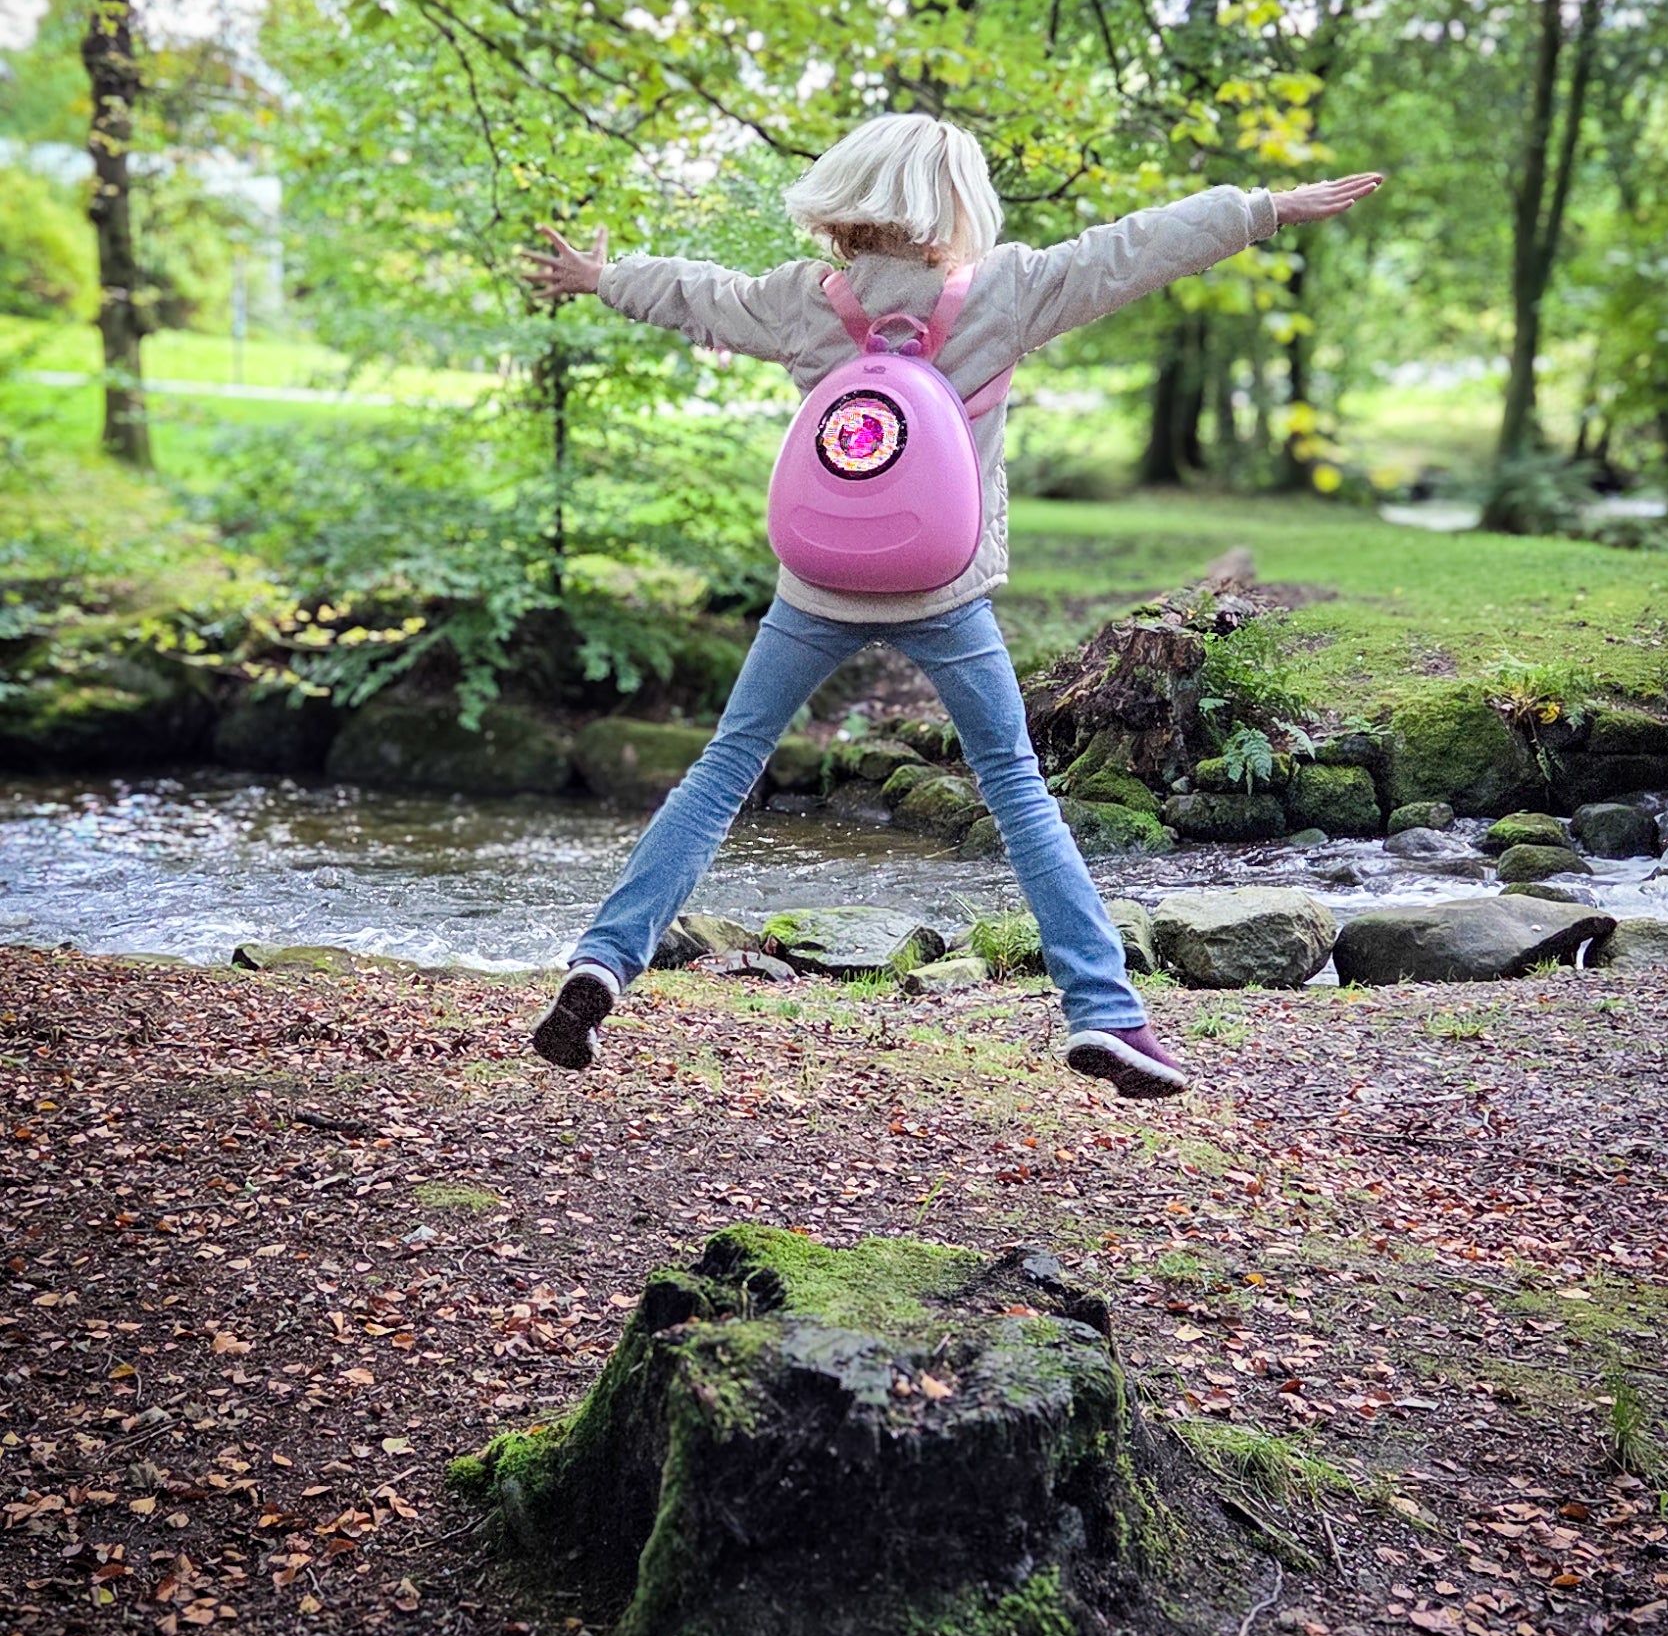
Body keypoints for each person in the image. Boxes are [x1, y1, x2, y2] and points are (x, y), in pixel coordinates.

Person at [521, 113, 1381, 1098]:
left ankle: (604, 958)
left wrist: (603, 279)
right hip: (942, 588)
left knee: (723, 769)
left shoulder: (805, 301)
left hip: (818, 584)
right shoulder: (1002, 294)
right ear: (955, 205)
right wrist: (1263, 209)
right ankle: (1102, 1011)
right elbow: (1131, 251)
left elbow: (701, 298)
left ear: (847, 202)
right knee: (1014, 786)